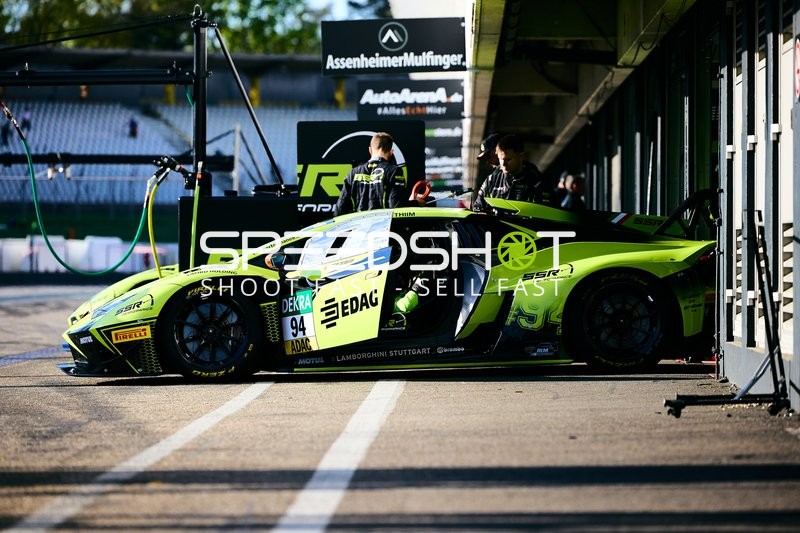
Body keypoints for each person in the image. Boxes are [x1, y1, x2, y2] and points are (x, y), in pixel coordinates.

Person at [472, 133, 554, 211]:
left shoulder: (536, 180)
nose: (503, 164)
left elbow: (549, 213)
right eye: (501, 159)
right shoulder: (491, 180)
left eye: (488, 156)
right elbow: (477, 209)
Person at [333, 132, 407, 216]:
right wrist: (416, 202)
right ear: (391, 152)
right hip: (382, 227)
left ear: (370, 150)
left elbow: (339, 209)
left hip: (357, 226)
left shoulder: (353, 173)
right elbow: (396, 206)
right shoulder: (394, 171)